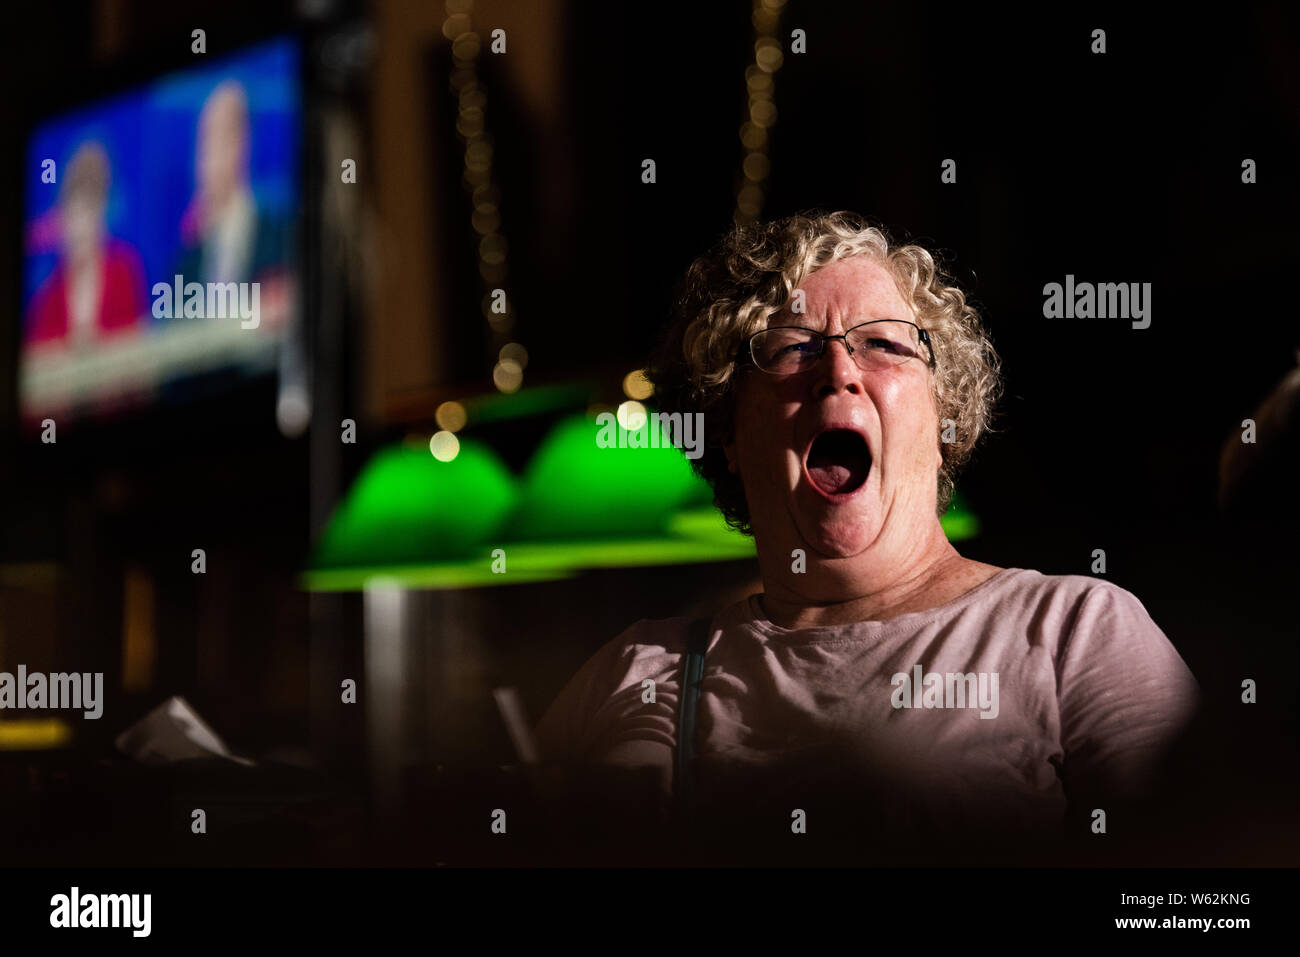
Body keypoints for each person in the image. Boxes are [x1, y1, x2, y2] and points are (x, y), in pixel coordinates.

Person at [533, 211, 1200, 863]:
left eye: (883, 343)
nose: (838, 371)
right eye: (790, 346)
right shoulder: (632, 671)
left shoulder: (1074, 631)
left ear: (946, 421)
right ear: (729, 432)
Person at [25, 141, 148, 349]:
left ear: (102, 213)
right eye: (73, 215)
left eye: (87, 213)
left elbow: (139, 345)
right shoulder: (48, 297)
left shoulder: (125, 272)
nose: (79, 229)